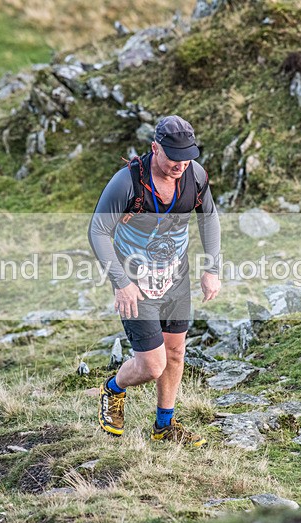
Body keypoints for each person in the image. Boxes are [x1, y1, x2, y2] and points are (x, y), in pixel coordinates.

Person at [88, 115, 221, 446]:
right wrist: (120, 281)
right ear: (155, 148)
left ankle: (164, 426)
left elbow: (210, 219)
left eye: (187, 156)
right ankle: (112, 389)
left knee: (175, 353)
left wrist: (212, 268)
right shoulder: (127, 182)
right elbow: (98, 231)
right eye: (173, 156)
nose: (181, 164)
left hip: (175, 276)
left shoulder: (195, 176)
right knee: (152, 365)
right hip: (133, 280)